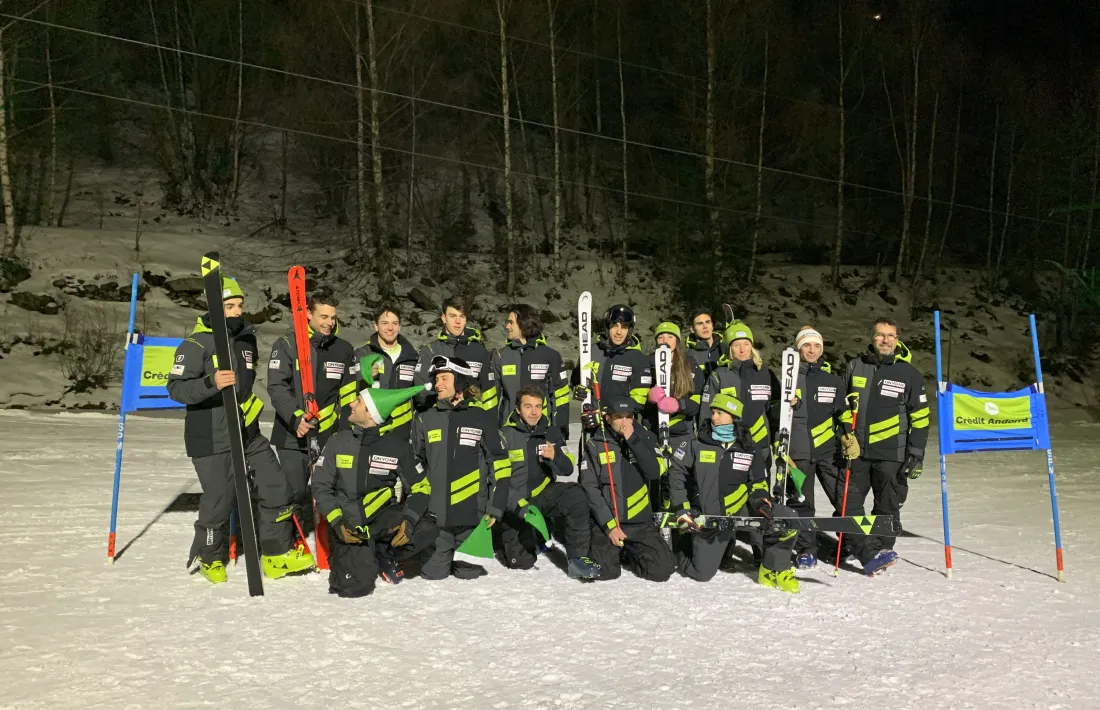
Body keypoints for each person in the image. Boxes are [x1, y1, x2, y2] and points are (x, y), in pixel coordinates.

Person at [168, 275, 314, 584]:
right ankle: (210, 556)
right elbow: (176, 389)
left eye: (239, 305)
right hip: (209, 435)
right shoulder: (195, 344)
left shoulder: (246, 340)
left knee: (276, 484)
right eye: (230, 306)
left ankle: (275, 554)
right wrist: (211, 383)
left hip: (246, 430)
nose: (237, 311)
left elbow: (245, 389)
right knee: (220, 498)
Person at [312, 373, 437, 597]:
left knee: (427, 526)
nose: (351, 403)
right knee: (354, 588)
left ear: (371, 414)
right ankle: (364, 555)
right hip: (349, 525)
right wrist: (337, 521)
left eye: (358, 401)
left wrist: (409, 521)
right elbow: (320, 485)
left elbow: (421, 487)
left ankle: (383, 552)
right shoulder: (338, 442)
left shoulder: (398, 447)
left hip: (382, 518)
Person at [668, 393, 799, 592]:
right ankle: (681, 548)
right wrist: (681, 507)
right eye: (713, 412)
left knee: (786, 519)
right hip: (711, 516)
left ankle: (773, 569)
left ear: (734, 417)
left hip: (740, 509)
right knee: (701, 574)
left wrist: (761, 501)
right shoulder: (697, 443)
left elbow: (758, 481)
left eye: (720, 413)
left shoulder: (748, 447)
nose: (714, 417)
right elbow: (676, 475)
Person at [410, 355, 513, 580]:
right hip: (437, 521)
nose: (438, 384)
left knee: (469, 577)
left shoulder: (481, 418)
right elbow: (414, 463)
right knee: (432, 576)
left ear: (461, 383)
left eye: (444, 378)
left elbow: (500, 463)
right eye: (436, 379)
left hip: (472, 521)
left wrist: (496, 506)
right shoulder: (425, 418)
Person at [842, 317, 929, 576]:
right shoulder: (855, 367)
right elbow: (841, 407)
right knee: (848, 504)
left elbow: (921, 417)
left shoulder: (909, 373)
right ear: (872, 338)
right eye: (880, 335)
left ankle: (881, 550)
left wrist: (915, 453)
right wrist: (844, 436)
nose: (885, 340)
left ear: (897, 339)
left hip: (892, 453)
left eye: (890, 335)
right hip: (857, 453)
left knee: (887, 506)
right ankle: (864, 548)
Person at [267, 295, 358, 534]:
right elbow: (277, 387)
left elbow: (349, 395)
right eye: (323, 317)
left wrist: (346, 432)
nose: (329, 322)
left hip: (329, 436)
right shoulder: (287, 344)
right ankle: (290, 540)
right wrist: (295, 417)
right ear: (308, 314)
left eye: (333, 317)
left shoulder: (344, 349)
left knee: (331, 491)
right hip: (292, 434)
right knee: (294, 492)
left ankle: (333, 539)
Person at [498, 386, 602, 579]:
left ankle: (578, 559)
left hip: (540, 496)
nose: (534, 412)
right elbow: (497, 481)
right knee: (522, 562)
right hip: (514, 503)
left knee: (575, 494)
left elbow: (568, 469)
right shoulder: (504, 435)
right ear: (518, 409)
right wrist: (517, 506)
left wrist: (555, 457)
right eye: (528, 406)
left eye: (538, 406)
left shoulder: (551, 432)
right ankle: (528, 533)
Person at [785, 325, 858, 570]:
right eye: (807, 345)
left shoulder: (832, 380)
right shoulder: (788, 378)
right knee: (802, 502)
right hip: (798, 452)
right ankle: (807, 550)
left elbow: (842, 411)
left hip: (828, 450)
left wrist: (848, 433)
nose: (812, 350)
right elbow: (774, 414)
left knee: (843, 497)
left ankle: (848, 543)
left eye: (816, 346)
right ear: (798, 348)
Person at [580, 397, 675, 582]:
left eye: (629, 417)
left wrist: (633, 440)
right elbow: (590, 488)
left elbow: (654, 472)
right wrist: (609, 526)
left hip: (639, 522)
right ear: (608, 418)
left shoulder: (646, 438)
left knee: (663, 570)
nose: (625, 422)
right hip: (609, 522)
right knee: (605, 572)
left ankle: (629, 553)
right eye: (619, 417)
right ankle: (611, 551)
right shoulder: (595, 444)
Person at [699, 321, 779, 457]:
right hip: (729, 443)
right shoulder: (719, 375)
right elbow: (706, 413)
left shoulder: (765, 373)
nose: (742, 349)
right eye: (736, 345)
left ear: (751, 346)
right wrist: (707, 442)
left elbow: (775, 411)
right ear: (730, 348)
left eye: (746, 344)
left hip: (760, 441)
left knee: (760, 478)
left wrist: (777, 440)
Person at [492, 304, 571, 439]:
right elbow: (491, 398)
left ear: (524, 324)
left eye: (511, 322)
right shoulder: (501, 356)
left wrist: (559, 432)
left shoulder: (550, 356)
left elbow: (560, 397)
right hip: (508, 433)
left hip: (542, 432)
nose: (507, 326)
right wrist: (491, 432)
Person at [414, 297, 497, 411]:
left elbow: (489, 393)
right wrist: (442, 406)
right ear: (444, 318)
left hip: (470, 420)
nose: (457, 321)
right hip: (438, 418)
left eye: (461, 316)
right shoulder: (430, 351)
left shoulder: (479, 351)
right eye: (452, 316)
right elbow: (421, 391)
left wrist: (486, 421)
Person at [353, 305, 420, 438]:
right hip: (369, 429)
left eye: (394, 323)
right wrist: (364, 377)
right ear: (376, 326)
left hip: (401, 430)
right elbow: (350, 390)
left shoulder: (412, 357)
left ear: (399, 327)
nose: (390, 328)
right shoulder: (363, 353)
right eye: (385, 323)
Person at [572, 304, 651, 410]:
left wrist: (612, 415)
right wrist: (578, 390)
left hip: (622, 423)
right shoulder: (591, 351)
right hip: (591, 420)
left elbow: (639, 401)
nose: (619, 332)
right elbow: (576, 382)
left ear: (629, 330)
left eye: (624, 327)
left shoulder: (637, 358)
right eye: (614, 325)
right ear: (607, 326)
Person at [645, 321, 704, 450]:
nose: (665, 340)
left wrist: (679, 405)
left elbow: (697, 402)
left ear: (677, 341)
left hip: (682, 432)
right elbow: (637, 400)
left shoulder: (690, 364)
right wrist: (648, 398)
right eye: (660, 337)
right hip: (653, 429)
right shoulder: (647, 363)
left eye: (670, 336)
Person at [684, 308, 723, 379]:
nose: (705, 326)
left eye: (708, 322)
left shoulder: (725, 348)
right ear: (692, 329)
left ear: (712, 325)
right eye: (700, 324)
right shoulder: (688, 355)